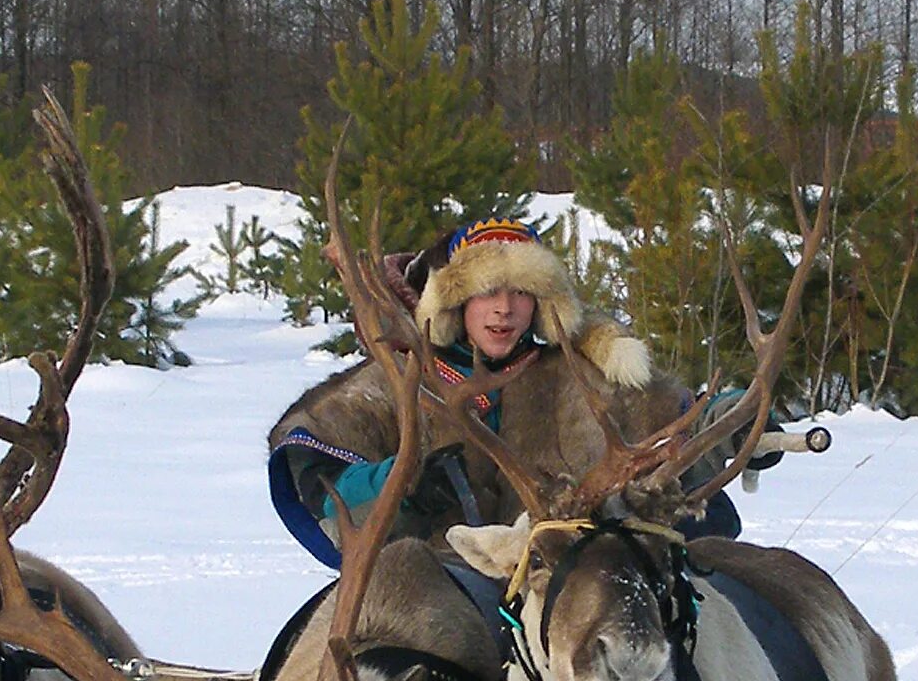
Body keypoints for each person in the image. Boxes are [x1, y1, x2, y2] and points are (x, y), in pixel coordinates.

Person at [268, 216, 754, 565]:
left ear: (541, 304)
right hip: (439, 586)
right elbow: (321, 480)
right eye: (486, 291)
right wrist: (405, 481)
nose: (504, 309)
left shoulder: (579, 378)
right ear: (456, 301)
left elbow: (674, 427)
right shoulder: (394, 382)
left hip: (567, 585)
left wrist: (735, 421)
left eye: (520, 292)